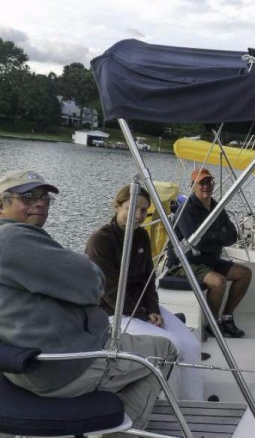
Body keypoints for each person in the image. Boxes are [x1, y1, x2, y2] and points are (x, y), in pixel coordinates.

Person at [0, 170, 177, 430]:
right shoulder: (13, 239)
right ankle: (124, 433)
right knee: (166, 350)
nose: (40, 202)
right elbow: (94, 283)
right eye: (27, 197)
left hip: (28, 363)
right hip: (64, 366)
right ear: (2, 205)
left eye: (45, 198)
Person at [86, 185, 204, 400]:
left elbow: (149, 279)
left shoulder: (141, 236)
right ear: (117, 206)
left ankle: (194, 404)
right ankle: (171, 407)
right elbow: (109, 290)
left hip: (141, 307)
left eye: (143, 210)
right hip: (113, 312)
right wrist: (144, 314)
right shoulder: (100, 241)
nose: (138, 216)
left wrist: (151, 308)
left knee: (191, 344)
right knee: (172, 345)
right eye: (132, 209)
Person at [167, 168, 252, 338]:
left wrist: (212, 236)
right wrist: (219, 234)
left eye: (209, 182)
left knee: (245, 274)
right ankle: (213, 324)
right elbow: (197, 241)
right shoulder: (185, 210)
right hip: (184, 263)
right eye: (201, 183)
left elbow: (232, 236)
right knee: (218, 281)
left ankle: (226, 318)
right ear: (193, 186)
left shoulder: (216, 207)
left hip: (210, 261)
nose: (206, 186)